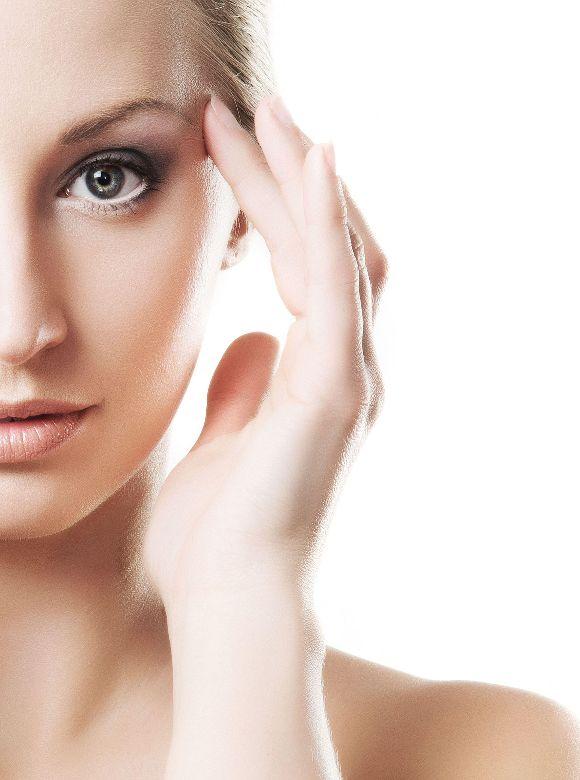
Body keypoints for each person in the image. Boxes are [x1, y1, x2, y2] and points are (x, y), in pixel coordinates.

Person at [0, 1, 577, 777]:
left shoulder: (485, 756)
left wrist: (241, 613)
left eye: (108, 178)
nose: (18, 326)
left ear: (246, 198)